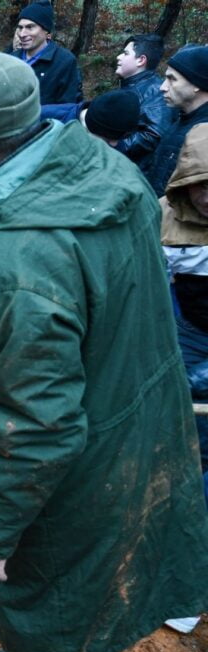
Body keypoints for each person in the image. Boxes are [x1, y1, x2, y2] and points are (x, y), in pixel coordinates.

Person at [0, 50, 208, 652]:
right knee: (73, 601)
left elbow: (37, 425)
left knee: (58, 598)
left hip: (77, 468)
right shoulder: (102, 168)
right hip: (130, 421)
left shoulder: (16, 266)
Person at [160, 123, 208, 507]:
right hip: (188, 326)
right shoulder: (165, 217)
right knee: (185, 417)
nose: (207, 196)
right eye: (199, 184)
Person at [147, 46, 208, 197]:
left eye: (172, 79)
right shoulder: (182, 120)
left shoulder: (204, 133)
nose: (163, 87)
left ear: (196, 83)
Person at [114, 34, 172, 175]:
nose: (119, 57)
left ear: (141, 60)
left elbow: (153, 135)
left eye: (126, 53)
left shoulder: (155, 92)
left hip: (136, 175)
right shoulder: (131, 86)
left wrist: (113, 144)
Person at [11, 1, 81, 105]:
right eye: (20, 27)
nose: (22, 34)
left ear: (46, 32)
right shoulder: (11, 59)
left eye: (30, 27)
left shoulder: (65, 62)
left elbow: (69, 107)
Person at [40, 89, 141, 147]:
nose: (114, 144)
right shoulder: (43, 118)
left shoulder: (118, 144)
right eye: (108, 139)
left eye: (120, 138)